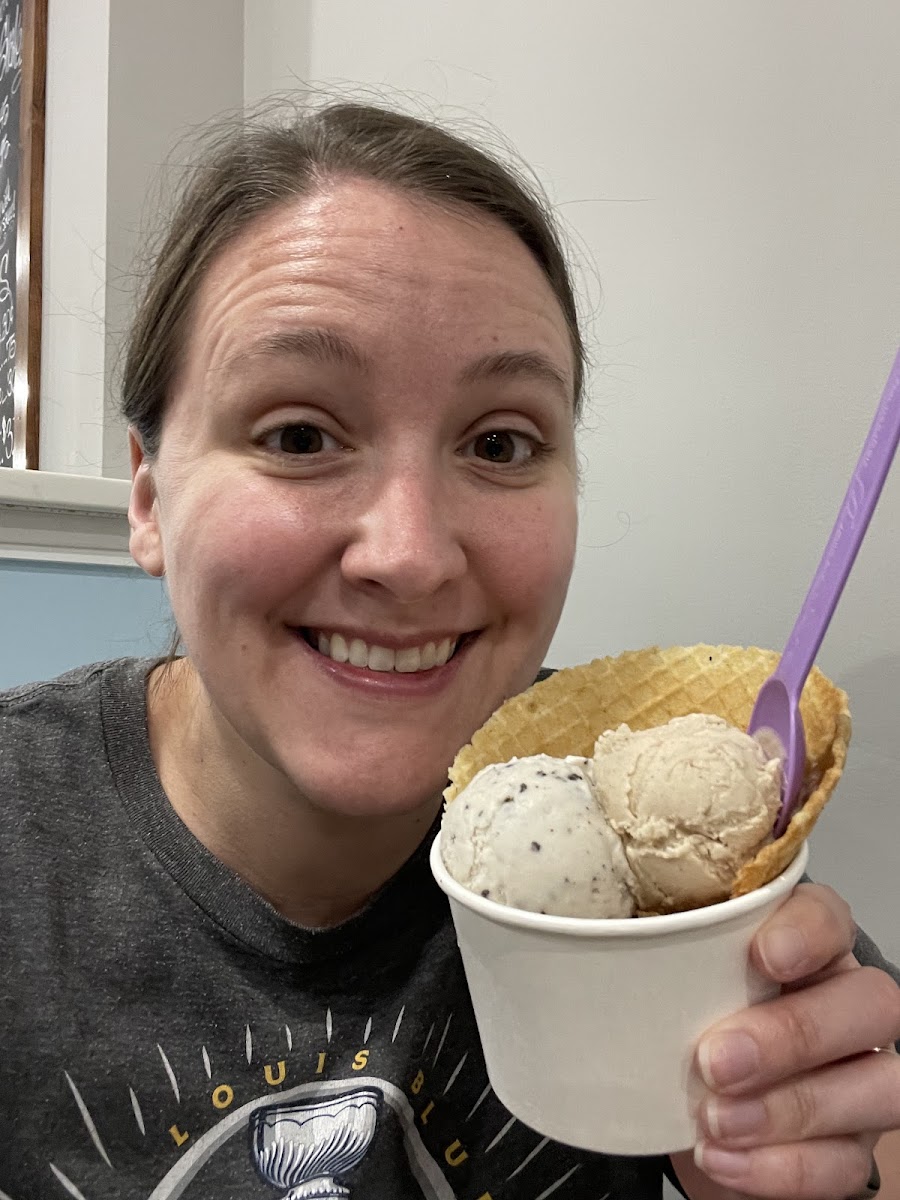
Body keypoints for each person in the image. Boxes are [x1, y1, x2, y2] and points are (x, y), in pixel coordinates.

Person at [1, 100, 897, 1200]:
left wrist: (833, 1161)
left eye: (501, 443)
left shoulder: (670, 854)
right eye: (298, 435)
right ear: (148, 494)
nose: (412, 555)